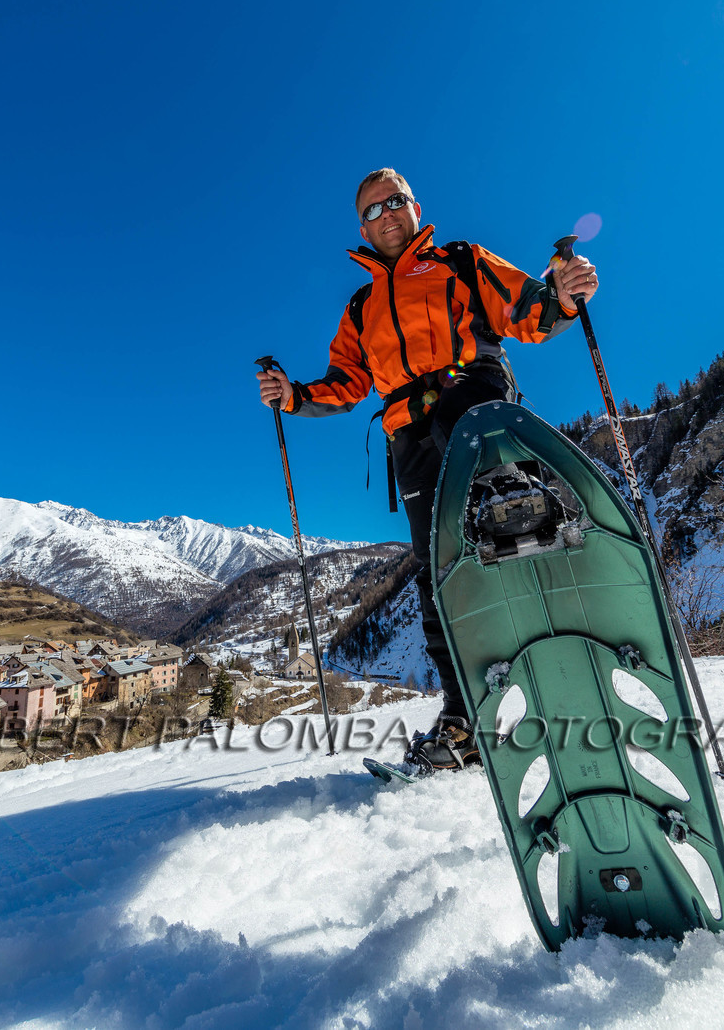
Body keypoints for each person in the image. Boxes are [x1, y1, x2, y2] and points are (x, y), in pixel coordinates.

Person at [256, 168, 599, 773]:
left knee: (466, 425)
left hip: (473, 391)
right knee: (436, 567)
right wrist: (293, 395)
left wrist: (565, 295)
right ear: (360, 225)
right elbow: (348, 383)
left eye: (394, 202)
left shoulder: (462, 262)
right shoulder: (361, 308)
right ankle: (464, 716)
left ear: (415, 207)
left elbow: (528, 311)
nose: (384, 215)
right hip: (407, 434)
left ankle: (518, 510)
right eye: (370, 210)